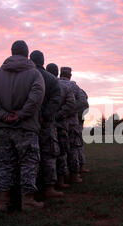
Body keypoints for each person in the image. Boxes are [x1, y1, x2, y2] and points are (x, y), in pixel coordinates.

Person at [0, 41, 45, 211]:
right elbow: (36, 98)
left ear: (11, 52)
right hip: (26, 127)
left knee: (5, 163)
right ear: (27, 54)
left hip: (4, 128)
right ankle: (27, 201)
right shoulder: (35, 74)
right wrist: (20, 114)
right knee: (28, 163)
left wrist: (3, 115)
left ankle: (3, 202)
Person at [30, 50, 63, 198]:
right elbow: (56, 100)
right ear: (43, 61)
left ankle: (27, 188)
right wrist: (45, 116)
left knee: (27, 157)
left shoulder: (25, 75)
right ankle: (48, 187)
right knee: (48, 154)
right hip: (45, 124)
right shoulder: (51, 79)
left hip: (25, 123)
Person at [46, 63, 75, 189]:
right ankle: (60, 181)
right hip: (60, 124)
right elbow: (71, 104)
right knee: (61, 152)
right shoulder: (66, 86)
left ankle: (46, 182)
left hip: (43, 124)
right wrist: (59, 115)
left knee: (47, 154)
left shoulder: (41, 81)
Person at [59, 67, 85, 183]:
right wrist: (71, 111)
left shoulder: (56, 84)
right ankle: (74, 175)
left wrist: (60, 113)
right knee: (73, 148)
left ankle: (61, 176)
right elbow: (83, 102)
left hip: (58, 122)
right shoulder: (74, 87)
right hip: (72, 123)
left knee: (60, 150)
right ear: (70, 75)